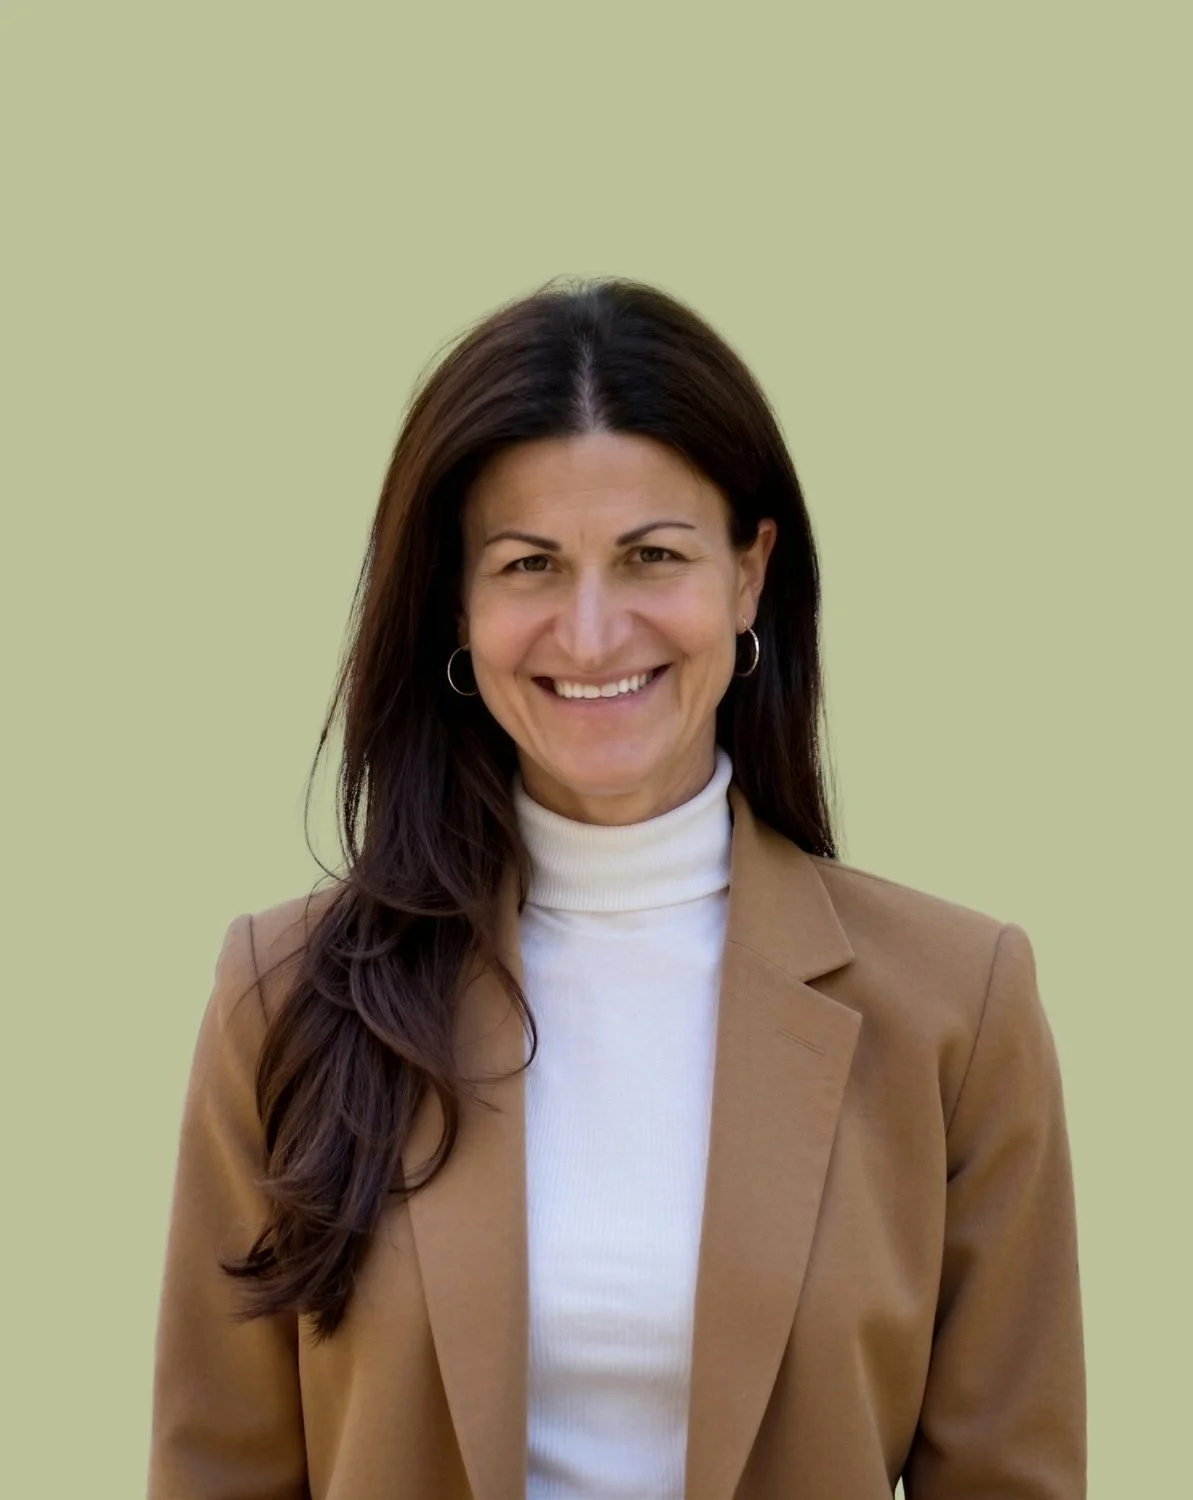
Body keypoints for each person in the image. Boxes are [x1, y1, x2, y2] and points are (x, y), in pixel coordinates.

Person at [147, 276, 1086, 1500]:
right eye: (530, 564)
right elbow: (217, 1472)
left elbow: (1011, 1476)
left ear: (750, 575)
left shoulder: (960, 1010)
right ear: (458, 601)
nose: (591, 636)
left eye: (652, 556)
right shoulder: (283, 997)